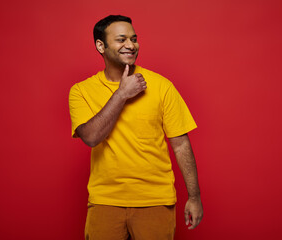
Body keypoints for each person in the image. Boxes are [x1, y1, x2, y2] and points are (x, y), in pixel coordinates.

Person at [69, 15, 203, 240]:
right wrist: (122, 94)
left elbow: (180, 145)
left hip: (155, 200)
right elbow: (91, 137)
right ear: (100, 46)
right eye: (121, 39)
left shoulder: (161, 86)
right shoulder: (81, 91)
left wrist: (194, 196)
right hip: (105, 201)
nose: (130, 45)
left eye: (133, 38)